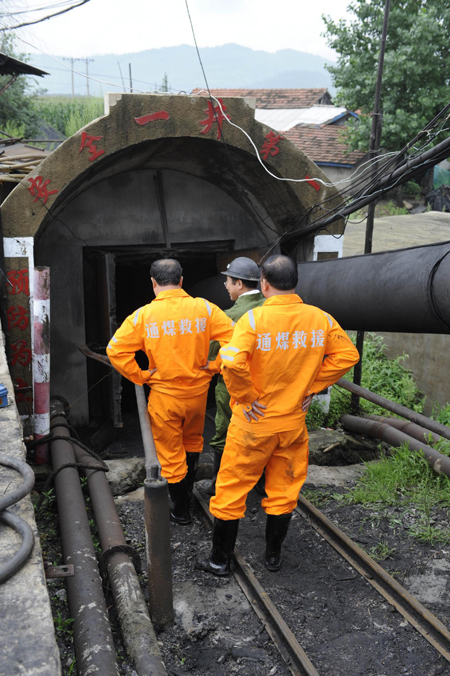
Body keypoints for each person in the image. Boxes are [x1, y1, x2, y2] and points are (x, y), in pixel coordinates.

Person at [198, 255, 360, 575]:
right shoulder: (321, 319)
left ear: (264, 283)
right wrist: (310, 387)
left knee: (231, 491)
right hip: (292, 424)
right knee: (283, 490)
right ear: (295, 283)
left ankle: (219, 560)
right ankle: (273, 556)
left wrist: (247, 396)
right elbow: (347, 355)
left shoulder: (254, 321)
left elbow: (230, 363)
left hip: (253, 425)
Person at [107, 258, 234, 526]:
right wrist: (215, 366)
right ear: (182, 281)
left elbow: (115, 350)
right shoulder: (205, 309)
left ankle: (181, 509)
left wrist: (140, 375)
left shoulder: (142, 316)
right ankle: (187, 496)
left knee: (170, 455)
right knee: (192, 442)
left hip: (165, 397)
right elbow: (237, 340)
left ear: (153, 283)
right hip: (198, 396)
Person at [198, 257, 265, 497]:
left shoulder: (231, 316)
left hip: (234, 385)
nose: (225, 286)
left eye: (227, 281)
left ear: (238, 283)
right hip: (268, 384)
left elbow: (216, 355)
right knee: (263, 432)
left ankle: (219, 483)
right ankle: (261, 484)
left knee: (225, 432)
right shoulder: (270, 307)